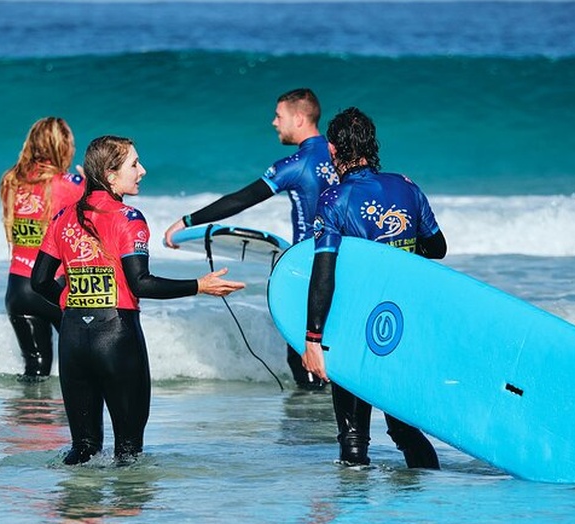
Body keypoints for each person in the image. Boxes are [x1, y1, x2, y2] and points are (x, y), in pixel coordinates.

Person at [31, 135, 245, 465]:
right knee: (128, 454)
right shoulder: (128, 218)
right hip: (116, 339)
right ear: (110, 174)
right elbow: (141, 283)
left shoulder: (62, 217)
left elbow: (39, 281)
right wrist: (199, 285)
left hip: (73, 338)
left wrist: (71, 302)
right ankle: (126, 514)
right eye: (134, 164)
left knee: (83, 449)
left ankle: (76, 512)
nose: (142, 170)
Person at [163, 87, 337, 390]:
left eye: (278, 115)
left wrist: (188, 221)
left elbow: (243, 199)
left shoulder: (296, 164)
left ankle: (312, 426)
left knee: (301, 357)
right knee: (331, 348)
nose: (273, 122)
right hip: (341, 264)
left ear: (298, 118)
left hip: (306, 269)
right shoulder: (341, 155)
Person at [302, 107, 447, 469]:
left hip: (354, 326)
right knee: (404, 430)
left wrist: (312, 339)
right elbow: (437, 248)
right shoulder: (407, 187)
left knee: (353, 440)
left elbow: (324, 272)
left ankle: (354, 513)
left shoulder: (335, 200)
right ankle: (430, 499)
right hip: (402, 325)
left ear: (333, 150)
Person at [0, 117, 85, 382]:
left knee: (35, 369)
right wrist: (87, 183)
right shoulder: (71, 184)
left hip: (17, 289)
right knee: (83, 364)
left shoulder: (11, 182)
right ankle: (73, 419)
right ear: (64, 147)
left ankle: (29, 419)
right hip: (53, 287)